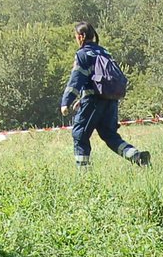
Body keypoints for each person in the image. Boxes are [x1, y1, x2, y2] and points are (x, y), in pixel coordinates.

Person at [59, 22, 149, 170]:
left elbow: (76, 79)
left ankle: (84, 173)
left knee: (79, 135)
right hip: (110, 101)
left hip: (93, 102)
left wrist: (66, 102)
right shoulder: (104, 52)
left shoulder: (82, 55)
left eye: (76, 37)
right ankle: (136, 156)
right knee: (110, 135)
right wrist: (81, 99)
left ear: (81, 37)